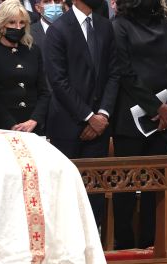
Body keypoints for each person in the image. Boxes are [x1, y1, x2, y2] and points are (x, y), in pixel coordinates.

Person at [111, 0, 167, 250]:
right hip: (129, 118)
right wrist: (156, 107)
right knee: (126, 186)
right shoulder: (119, 25)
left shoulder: (165, 25)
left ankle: (153, 243)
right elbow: (125, 73)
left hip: (165, 120)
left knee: (156, 187)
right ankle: (124, 245)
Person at [43, 0, 118, 225]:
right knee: (65, 196)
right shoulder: (58, 29)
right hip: (68, 126)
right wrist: (88, 117)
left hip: (100, 128)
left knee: (95, 195)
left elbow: (114, 73)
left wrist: (102, 115)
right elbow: (58, 81)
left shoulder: (105, 26)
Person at [0, 0, 50, 134]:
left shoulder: (33, 50)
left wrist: (34, 120)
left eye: (22, 22)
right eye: (12, 22)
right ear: (1, 25)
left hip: (33, 125)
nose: (18, 27)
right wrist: (11, 125)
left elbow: (44, 92)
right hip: (1, 125)